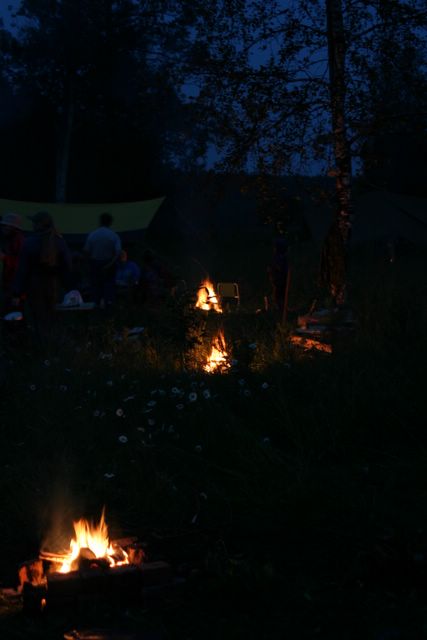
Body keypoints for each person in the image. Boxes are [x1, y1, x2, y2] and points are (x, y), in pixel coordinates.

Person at [12, 211, 71, 341]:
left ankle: (40, 346)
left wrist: (16, 292)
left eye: (34, 222)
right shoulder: (60, 242)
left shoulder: (29, 243)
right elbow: (67, 267)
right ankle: (53, 345)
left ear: (39, 225)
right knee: (53, 318)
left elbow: (22, 270)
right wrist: (70, 288)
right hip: (55, 286)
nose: (32, 225)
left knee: (37, 319)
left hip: (34, 286)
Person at [83, 213, 121, 308]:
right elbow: (117, 253)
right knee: (109, 286)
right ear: (110, 222)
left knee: (95, 287)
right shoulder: (114, 236)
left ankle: (95, 306)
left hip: (95, 263)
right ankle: (108, 306)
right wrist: (111, 263)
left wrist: (88, 264)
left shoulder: (93, 235)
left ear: (100, 222)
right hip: (109, 263)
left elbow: (86, 251)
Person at [0, 213, 25, 312]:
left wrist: (5, 258)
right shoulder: (8, 239)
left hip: (15, 283)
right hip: (9, 281)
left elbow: (22, 263)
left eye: (6, 226)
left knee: (13, 311)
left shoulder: (18, 241)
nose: (3, 228)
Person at [268, 236, 289, 316]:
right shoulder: (278, 258)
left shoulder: (280, 258)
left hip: (280, 280)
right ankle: (280, 309)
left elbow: (281, 268)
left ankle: (281, 310)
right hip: (278, 280)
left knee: (280, 295)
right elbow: (276, 268)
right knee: (278, 295)